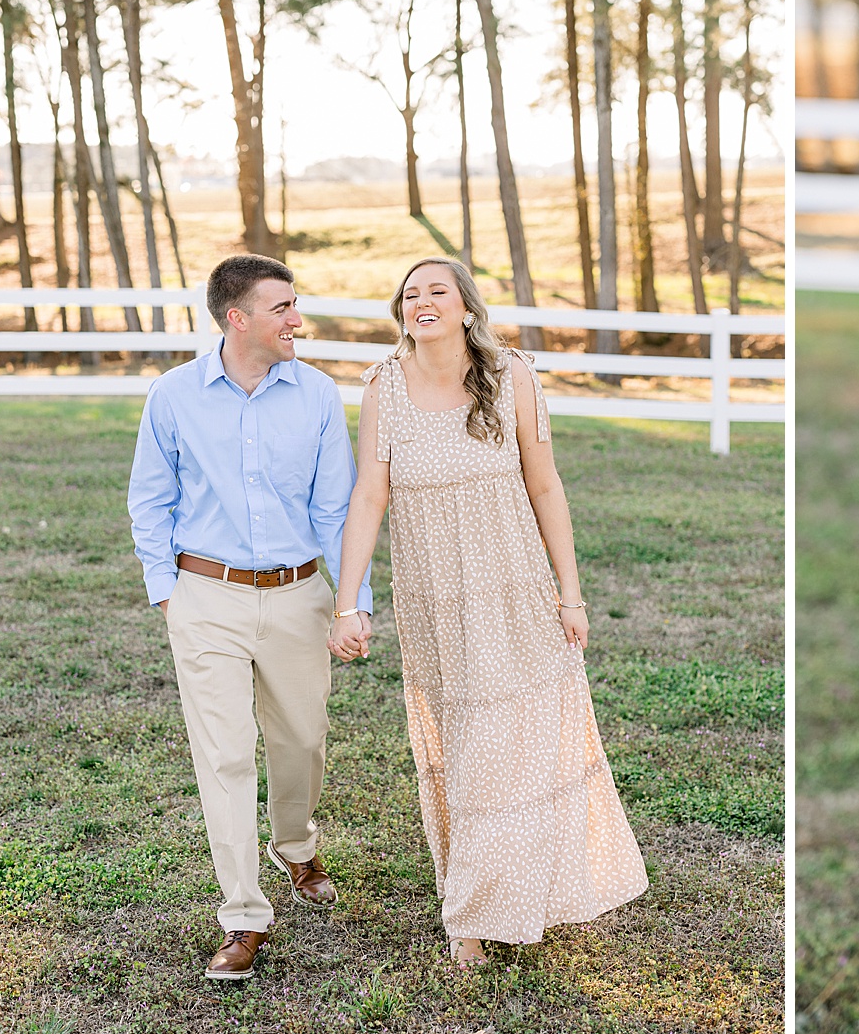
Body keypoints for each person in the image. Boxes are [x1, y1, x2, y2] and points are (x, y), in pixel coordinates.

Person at [328, 257, 647, 967]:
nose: (421, 302)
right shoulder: (384, 387)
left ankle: (516, 890)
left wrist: (571, 593)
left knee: (520, 744)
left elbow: (546, 486)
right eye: (410, 295)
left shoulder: (514, 377)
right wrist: (346, 602)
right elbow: (368, 499)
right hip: (437, 599)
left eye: (436, 290)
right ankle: (470, 912)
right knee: (470, 752)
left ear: (467, 307)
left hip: (516, 588)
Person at [129, 254, 372, 982]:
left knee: (302, 739)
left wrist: (352, 600)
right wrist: (169, 592)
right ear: (238, 320)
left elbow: (337, 509)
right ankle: (242, 913)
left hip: (300, 596)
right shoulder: (173, 396)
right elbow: (151, 500)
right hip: (205, 597)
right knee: (225, 755)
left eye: (295, 306)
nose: (298, 319)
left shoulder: (320, 395)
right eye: (283, 308)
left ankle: (295, 845)